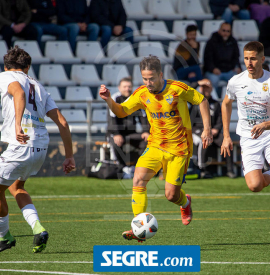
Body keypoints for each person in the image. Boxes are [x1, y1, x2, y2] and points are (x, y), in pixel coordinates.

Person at [99, 56, 213, 242]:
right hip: (155, 145)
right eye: (145, 79)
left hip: (178, 149)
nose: (148, 82)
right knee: (138, 179)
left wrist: (207, 129)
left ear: (160, 75)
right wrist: (108, 99)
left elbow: (202, 100)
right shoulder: (142, 93)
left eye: (151, 78)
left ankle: (185, 202)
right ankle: (138, 227)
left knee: (171, 195)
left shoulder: (177, 89)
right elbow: (121, 111)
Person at [0, 46, 76, 254]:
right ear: (28, 67)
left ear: (7, 67)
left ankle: (3, 237)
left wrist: (17, 126)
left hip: (20, 145)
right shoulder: (40, 87)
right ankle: (38, 228)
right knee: (16, 187)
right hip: (40, 147)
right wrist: (69, 156)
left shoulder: (5, 76)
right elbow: (62, 122)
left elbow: (19, 93)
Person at [221, 41, 270, 238]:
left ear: (262, 59)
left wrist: (264, 125)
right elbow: (226, 104)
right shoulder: (236, 81)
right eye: (246, 58)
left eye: (253, 58)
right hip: (248, 137)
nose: (249, 62)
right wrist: (227, 136)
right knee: (254, 186)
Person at [191, 80, 236, 178]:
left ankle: (230, 170)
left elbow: (221, 119)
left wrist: (216, 129)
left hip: (213, 132)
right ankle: (202, 169)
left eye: (208, 87)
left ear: (211, 89)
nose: (206, 89)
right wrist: (198, 83)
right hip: (198, 130)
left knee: (227, 143)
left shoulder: (215, 104)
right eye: (204, 87)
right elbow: (188, 89)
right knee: (203, 141)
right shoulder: (194, 102)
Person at [107, 77, 150, 167]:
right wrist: (116, 134)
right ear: (119, 88)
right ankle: (122, 168)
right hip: (116, 133)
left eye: (129, 87)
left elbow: (143, 117)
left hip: (131, 133)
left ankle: (139, 167)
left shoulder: (136, 99)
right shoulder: (115, 99)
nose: (127, 89)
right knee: (116, 143)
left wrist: (146, 131)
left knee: (148, 141)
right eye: (125, 86)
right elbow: (112, 118)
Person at [204, 23, 241, 89]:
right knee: (213, 80)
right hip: (214, 71)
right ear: (219, 30)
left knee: (239, 80)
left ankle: (235, 99)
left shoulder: (233, 42)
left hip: (229, 70)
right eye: (223, 30)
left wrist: (237, 67)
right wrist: (213, 69)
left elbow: (236, 57)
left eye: (228, 31)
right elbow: (207, 59)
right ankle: (214, 99)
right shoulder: (211, 42)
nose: (225, 33)